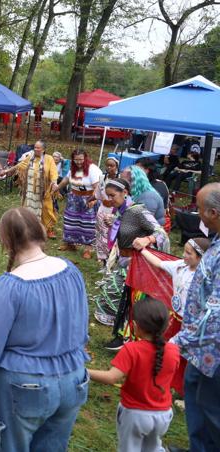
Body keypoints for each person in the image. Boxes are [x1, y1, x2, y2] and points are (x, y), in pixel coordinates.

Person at [0, 207, 90, 451]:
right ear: (40, 232)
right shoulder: (71, 271)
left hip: (25, 390)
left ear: (6, 241)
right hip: (73, 380)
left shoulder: (11, 287)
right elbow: (81, 328)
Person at [88, 297, 180, 452]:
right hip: (163, 414)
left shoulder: (131, 350)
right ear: (168, 324)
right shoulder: (174, 351)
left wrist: (83, 372)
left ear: (136, 326)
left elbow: (112, 377)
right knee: (153, 447)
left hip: (135, 415)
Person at [171, 183, 220, 451]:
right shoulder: (215, 241)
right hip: (200, 347)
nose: (196, 213)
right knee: (195, 397)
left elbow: (216, 313)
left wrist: (177, 342)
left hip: (213, 347)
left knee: (212, 408)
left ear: (213, 213)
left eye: (199, 209)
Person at [97, 178, 169, 351]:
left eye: (113, 195)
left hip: (136, 265)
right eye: (108, 196)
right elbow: (127, 227)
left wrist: (148, 239)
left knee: (124, 299)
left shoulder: (138, 211)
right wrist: (114, 221)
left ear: (125, 193)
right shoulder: (123, 211)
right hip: (124, 262)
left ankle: (127, 338)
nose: (110, 199)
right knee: (121, 300)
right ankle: (125, 337)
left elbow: (161, 232)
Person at [1, 140, 57, 236]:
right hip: (30, 191)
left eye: (38, 148)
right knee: (28, 209)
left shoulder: (49, 159)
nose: (36, 149)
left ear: (43, 149)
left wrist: (54, 182)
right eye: (35, 147)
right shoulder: (30, 158)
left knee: (46, 210)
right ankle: (30, 229)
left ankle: (46, 229)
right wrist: (6, 171)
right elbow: (19, 165)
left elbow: (53, 172)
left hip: (42, 192)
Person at [56, 149, 102, 258]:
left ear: (85, 158)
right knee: (70, 221)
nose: (78, 162)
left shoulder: (92, 169)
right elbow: (66, 180)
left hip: (88, 199)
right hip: (74, 199)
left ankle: (88, 249)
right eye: (76, 160)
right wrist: (57, 188)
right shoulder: (73, 168)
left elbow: (98, 187)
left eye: (81, 159)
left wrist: (93, 199)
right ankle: (70, 244)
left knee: (88, 224)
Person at [96, 157, 121, 265]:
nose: (109, 168)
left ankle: (111, 255)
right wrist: (91, 200)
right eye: (107, 165)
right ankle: (101, 256)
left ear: (116, 167)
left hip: (114, 210)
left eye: (112, 165)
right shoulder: (102, 178)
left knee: (111, 233)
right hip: (102, 209)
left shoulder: (120, 180)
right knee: (100, 233)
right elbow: (97, 193)